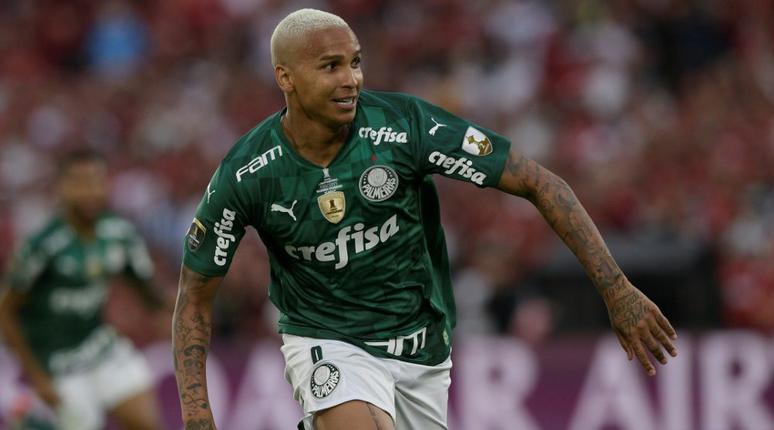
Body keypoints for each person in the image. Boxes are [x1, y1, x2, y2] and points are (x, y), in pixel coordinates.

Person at [173, 8, 679, 430]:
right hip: (326, 338)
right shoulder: (248, 173)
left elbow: (539, 182)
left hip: (422, 347)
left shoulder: (405, 126)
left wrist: (616, 289)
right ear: (285, 76)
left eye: (355, 63)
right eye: (331, 66)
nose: (351, 79)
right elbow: (194, 299)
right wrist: (197, 414)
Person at [0, 150, 167, 430]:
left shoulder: (120, 234)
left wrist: (186, 314)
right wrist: (37, 376)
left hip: (100, 348)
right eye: (79, 182)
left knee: (146, 423)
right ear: (62, 188)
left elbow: (151, 296)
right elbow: (6, 311)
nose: (89, 190)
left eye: (95, 181)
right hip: (57, 366)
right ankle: (32, 418)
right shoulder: (42, 245)